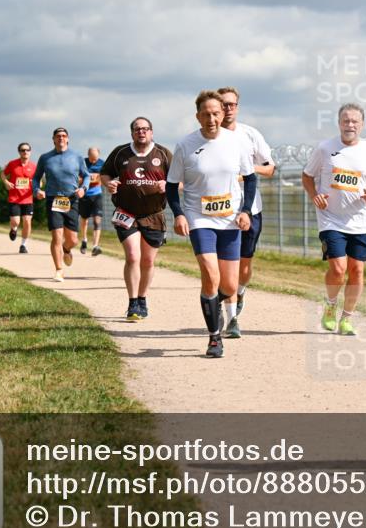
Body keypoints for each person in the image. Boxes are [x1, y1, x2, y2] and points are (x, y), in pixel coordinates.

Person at [166, 90, 256, 358]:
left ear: (223, 113)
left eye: (216, 113)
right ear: (198, 116)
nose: (212, 118)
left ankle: (218, 303)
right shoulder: (185, 145)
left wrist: (246, 211)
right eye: (206, 114)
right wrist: (179, 214)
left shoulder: (235, 142)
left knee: (228, 286)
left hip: (229, 219)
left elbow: (250, 179)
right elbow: (171, 186)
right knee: (210, 274)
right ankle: (214, 337)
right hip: (199, 217)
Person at [302, 103, 366, 336]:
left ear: (362, 124)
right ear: (339, 123)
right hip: (330, 218)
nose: (350, 125)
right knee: (338, 269)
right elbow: (307, 176)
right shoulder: (325, 148)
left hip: (360, 219)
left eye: (354, 121)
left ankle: (347, 318)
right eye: (346, 120)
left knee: (357, 270)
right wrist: (314, 195)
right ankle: (330, 306)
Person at [216, 86, 276, 338]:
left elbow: (270, 168)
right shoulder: (208, 136)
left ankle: (239, 292)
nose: (228, 109)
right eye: (224, 105)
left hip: (250, 209)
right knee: (222, 264)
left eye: (232, 104)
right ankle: (228, 315)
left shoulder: (250, 134)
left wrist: (247, 171)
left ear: (237, 107)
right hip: (218, 210)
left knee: (244, 264)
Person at [101, 118, 172, 321]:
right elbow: (104, 174)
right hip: (126, 213)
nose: (141, 132)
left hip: (154, 215)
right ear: (132, 133)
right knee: (133, 256)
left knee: (148, 260)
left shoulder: (164, 154)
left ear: (151, 131)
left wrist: (167, 184)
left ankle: (142, 298)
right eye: (137, 129)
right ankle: (132, 303)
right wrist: (109, 184)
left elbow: (180, 180)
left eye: (145, 129)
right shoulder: (120, 153)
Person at [33, 127, 89, 282]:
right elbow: (36, 178)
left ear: (68, 139)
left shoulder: (77, 157)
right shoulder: (45, 158)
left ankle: (66, 249)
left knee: (73, 240)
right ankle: (59, 270)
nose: (61, 138)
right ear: (53, 139)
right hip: (53, 199)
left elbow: (86, 176)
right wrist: (37, 190)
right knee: (57, 236)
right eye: (58, 136)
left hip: (72, 199)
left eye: (64, 136)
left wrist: (83, 188)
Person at [3, 143, 37, 254]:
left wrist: (37, 187)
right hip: (14, 198)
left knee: (27, 221)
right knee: (15, 221)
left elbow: (39, 180)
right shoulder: (12, 164)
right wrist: (6, 182)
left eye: (27, 150)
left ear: (30, 152)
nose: (25, 152)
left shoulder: (34, 166)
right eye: (23, 150)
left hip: (27, 199)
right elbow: (3, 174)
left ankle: (23, 245)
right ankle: (14, 229)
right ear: (19, 152)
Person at [80, 147, 105, 257]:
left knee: (97, 220)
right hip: (84, 195)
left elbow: (104, 178)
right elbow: (77, 178)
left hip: (97, 194)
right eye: (91, 159)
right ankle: (84, 240)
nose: (93, 161)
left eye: (95, 159)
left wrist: (97, 179)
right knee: (84, 219)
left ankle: (95, 246)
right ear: (88, 155)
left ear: (98, 155)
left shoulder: (102, 164)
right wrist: (87, 179)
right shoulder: (83, 163)